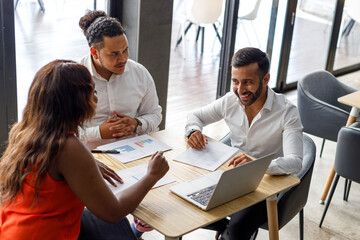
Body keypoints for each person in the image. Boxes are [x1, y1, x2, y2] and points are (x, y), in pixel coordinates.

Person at [0, 60, 169, 240]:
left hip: (14, 226)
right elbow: (113, 212)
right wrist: (151, 176)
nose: (96, 98)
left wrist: (86, 164)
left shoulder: (25, 131)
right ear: (78, 102)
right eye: (93, 92)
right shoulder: (68, 147)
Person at [185, 47, 303, 240]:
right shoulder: (231, 100)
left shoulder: (287, 112)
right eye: (235, 81)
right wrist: (193, 130)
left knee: (237, 232)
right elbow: (195, 116)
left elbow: (296, 161)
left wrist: (257, 165)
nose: (240, 90)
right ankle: (225, 227)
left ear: (265, 79)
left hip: (266, 184)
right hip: (231, 175)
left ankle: (231, 230)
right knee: (188, 202)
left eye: (247, 82)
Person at [78, 10, 162, 147]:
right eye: (114, 54)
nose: (123, 59)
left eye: (125, 50)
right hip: (90, 157)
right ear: (94, 53)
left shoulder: (139, 73)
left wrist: (137, 124)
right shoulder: (72, 78)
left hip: (134, 152)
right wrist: (98, 133)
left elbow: (155, 114)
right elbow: (58, 131)